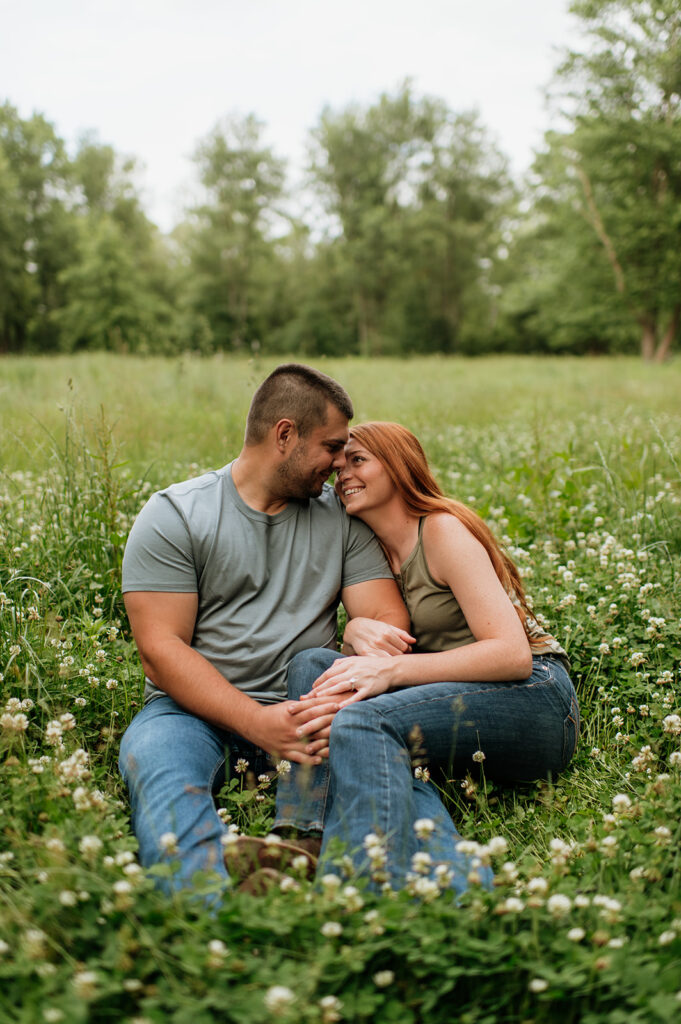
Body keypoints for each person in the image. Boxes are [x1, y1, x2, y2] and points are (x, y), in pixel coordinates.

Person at [118, 368, 410, 895]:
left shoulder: (342, 518)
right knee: (160, 770)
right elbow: (161, 651)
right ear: (284, 435)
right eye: (331, 446)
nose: (341, 463)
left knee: (388, 779)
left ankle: (331, 879)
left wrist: (360, 631)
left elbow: (388, 623)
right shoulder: (177, 515)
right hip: (190, 710)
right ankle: (201, 908)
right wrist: (256, 722)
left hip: (309, 708)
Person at [277, 421, 580, 896]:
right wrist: (354, 629)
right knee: (311, 667)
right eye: (338, 467)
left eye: (357, 461)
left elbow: (512, 654)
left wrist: (394, 669)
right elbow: (379, 650)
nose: (343, 476)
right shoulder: (370, 549)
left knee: (362, 724)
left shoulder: (441, 531)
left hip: (535, 698)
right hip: (450, 696)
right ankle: (306, 836)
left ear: (398, 466)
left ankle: (360, 885)